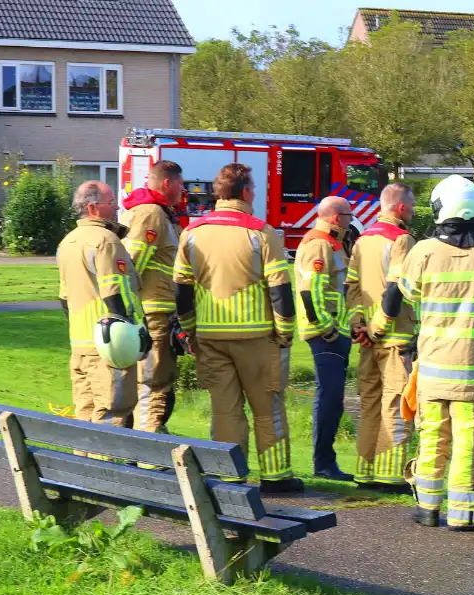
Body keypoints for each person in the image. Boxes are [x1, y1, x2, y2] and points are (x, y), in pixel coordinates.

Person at [392, 175, 474, 531]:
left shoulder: (423, 252)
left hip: (431, 368)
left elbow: (408, 294)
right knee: (468, 438)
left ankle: (427, 508)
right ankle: (466, 513)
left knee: (431, 434)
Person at [173, 163, 302, 493]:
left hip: (210, 337)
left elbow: (182, 290)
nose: (254, 195)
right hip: (257, 337)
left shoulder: (192, 233)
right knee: (267, 408)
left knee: (225, 410)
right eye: (254, 190)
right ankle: (275, 477)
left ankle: (229, 477)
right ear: (245, 192)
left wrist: (189, 330)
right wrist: (285, 332)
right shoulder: (261, 232)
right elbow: (279, 289)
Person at [346, 182, 418, 492]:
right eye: (412, 207)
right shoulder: (402, 239)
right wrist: (376, 328)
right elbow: (396, 290)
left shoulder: (363, 239)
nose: (413, 212)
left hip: (366, 339)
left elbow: (351, 287)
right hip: (393, 337)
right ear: (401, 208)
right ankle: (390, 475)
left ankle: (365, 472)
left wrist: (357, 325)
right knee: (395, 403)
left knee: (369, 403)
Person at [56, 181, 144, 427]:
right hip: (110, 347)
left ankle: (82, 465)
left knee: (86, 415)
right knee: (114, 414)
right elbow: (115, 294)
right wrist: (136, 336)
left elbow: (64, 298)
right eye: (112, 202)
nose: (117, 207)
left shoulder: (67, 242)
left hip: (80, 345)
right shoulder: (106, 240)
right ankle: (108, 466)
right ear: (94, 208)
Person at [294, 196, 356, 482]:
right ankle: (323, 463)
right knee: (329, 396)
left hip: (335, 331)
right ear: (334, 217)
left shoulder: (331, 242)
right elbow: (310, 292)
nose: (350, 219)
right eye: (347, 215)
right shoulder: (319, 244)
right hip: (326, 334)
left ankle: (325, 461)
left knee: (333, 397)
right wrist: (328, 329)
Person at [122, 160, 184, 433]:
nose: (184, 190)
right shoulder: (151, 214)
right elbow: (132, 264)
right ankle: (148, 452)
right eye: (181, 184)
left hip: (160, 310)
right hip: (154, 312)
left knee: (157, 381)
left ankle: (146, 439)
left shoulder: (160, 212)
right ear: (168, 183)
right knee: (154, 383)